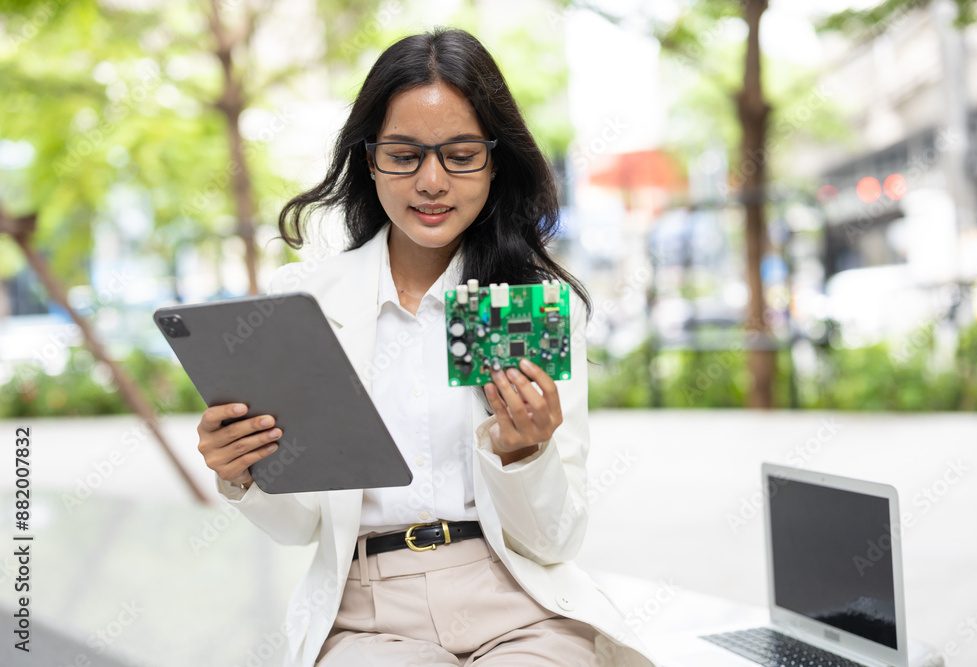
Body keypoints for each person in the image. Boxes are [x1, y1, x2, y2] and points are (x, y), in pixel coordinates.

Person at [195, 27, 655, 667]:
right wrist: (242, 472)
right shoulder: (308, 301)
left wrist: (527, 452)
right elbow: (299, 526)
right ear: (368, 158)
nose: (432, 181)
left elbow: (554, 540)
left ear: (496, 161)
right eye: (404, 154)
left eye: (461, 155)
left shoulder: (528, 303)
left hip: (518, 603)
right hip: (365, 619)